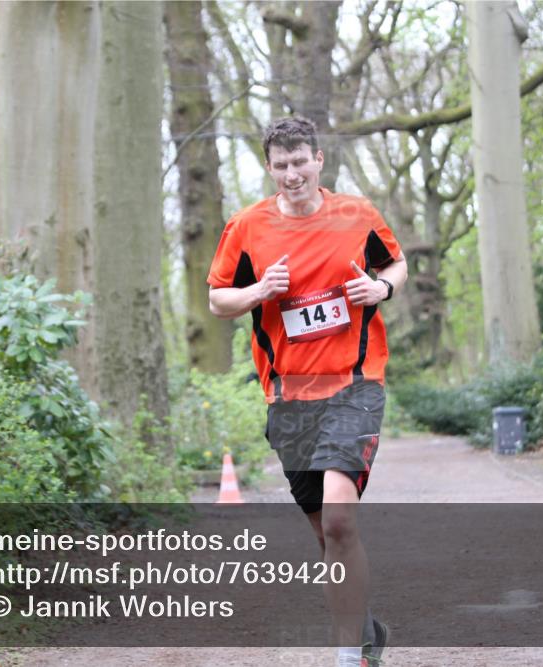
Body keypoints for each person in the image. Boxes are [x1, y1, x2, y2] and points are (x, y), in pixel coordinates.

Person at [207, 116, 407, 667]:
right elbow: (217, 300)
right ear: (269, 168)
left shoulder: (357, 214)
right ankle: (366, 632)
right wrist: (256, 291)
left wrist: (381, 286)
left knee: (341, 521)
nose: (292, 174)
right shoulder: (246, 227)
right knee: (327, 541)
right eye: (281, 165)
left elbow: (397, 262)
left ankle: (349, 657)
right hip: (288, 396)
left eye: (301, 162)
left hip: (355, 385)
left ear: (319, 160)